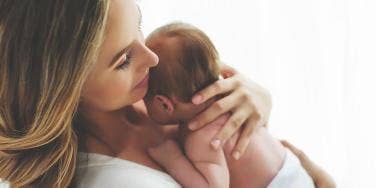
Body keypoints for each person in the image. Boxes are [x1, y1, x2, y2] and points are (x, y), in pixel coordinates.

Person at [0, 0, 335, 187]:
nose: (153, 58)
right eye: (124, 60)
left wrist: (256, 100)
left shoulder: (148, 91)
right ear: (64, 88)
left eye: (140, 26)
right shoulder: (120, 181)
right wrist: (322, 181)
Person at [143, 22, 314, 188]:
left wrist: (173, 160)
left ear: (163, 104)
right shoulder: (232, 98)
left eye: (144, 96)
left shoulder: (201, 137)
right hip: (296, 171)